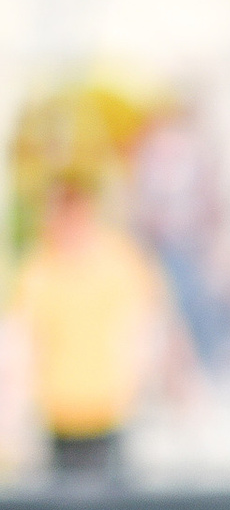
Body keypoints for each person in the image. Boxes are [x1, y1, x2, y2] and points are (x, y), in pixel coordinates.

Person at [5, 168, 179, 478]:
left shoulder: (119, 262)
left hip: (109, 412)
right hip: (59, 416)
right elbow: (23, 344)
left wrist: (148, 385)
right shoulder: (41, 270)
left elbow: (146, 326)